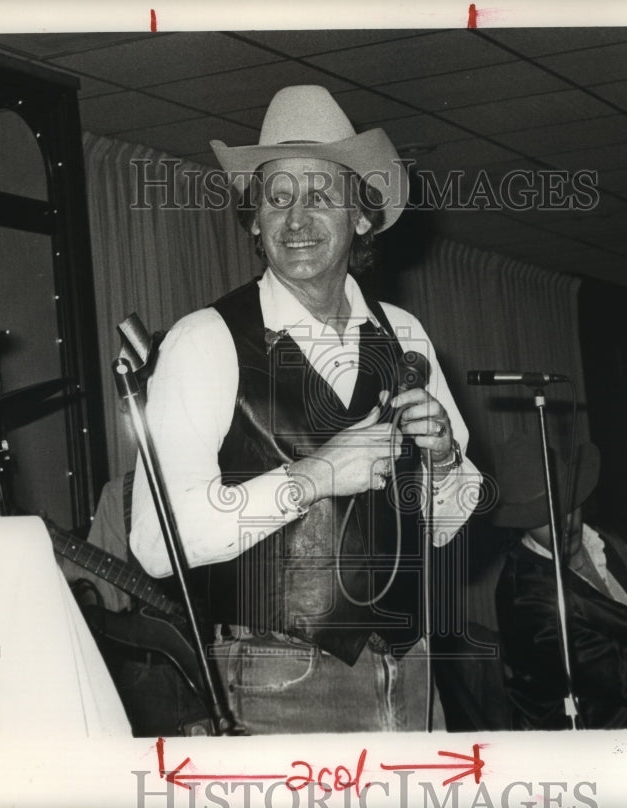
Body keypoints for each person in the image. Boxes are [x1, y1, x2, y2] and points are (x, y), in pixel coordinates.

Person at [129, 85, 481, 734]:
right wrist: (315, 476)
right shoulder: (203, 340)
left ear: (363, 218)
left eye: (320, 194)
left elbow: (451, 519)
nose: (297, 217)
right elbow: (157, 545)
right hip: (274, 680)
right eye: (277, 197)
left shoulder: (403, 332)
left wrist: (443, 458)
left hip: (412, 671)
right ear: (254, 222)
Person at [494, 434, 627, 730]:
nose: (566, 521)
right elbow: (622, 678)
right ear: (521, 522)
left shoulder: (607, 544)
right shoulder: (525, 595)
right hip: (581, 741)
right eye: (544, 515)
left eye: (570, 504)